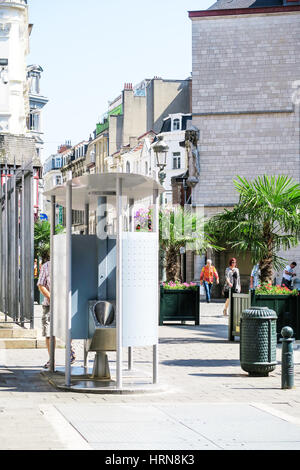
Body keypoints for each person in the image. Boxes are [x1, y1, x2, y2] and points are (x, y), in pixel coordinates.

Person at [37, 251, 76, 369]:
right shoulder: (46, 266)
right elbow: (41, 284)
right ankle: (51, 359)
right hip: (49, 305)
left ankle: (69, 350)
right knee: (48, 332)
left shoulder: (70, 265)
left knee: (68, 328)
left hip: (66, 303)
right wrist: (52, 298)